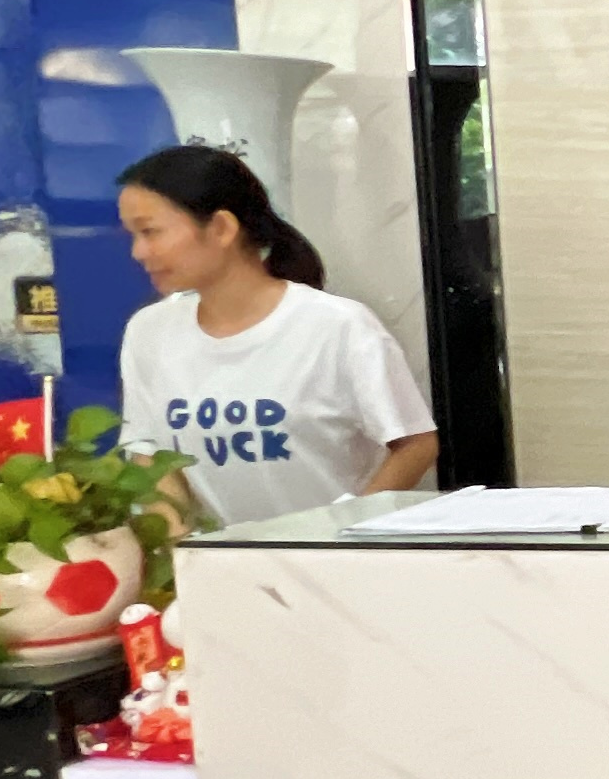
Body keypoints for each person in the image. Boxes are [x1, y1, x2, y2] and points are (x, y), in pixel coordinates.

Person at [113, 145, 437, 526]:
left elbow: (415, 444)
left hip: (331, 556)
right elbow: (150, 452)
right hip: (222, 558)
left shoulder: (338, 326)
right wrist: (178, 544)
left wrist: (347, 533)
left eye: (150, 232)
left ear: (221, 228)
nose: (138, 252)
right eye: (133, 235)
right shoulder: (149, 332)